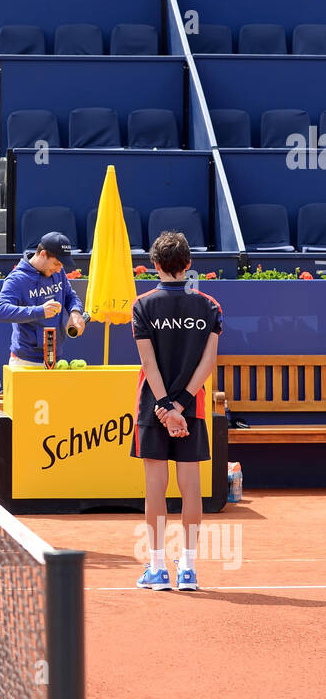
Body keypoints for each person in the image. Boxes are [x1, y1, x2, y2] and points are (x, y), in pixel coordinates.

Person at [131, 230, 222, 593]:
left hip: (154, 411)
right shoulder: (210, 305)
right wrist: (182, 405)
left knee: (155, 488)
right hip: (192, 409)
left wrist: (166, 409)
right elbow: (209, 362)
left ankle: (157, 568)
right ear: (188, 265)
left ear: (154, 265)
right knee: (192, 490)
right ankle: (188, 568)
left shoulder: (142, 305)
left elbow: (148, 364)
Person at [0, 231, 86, 364]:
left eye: (62, 265)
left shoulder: (58, 272)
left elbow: (70, 295)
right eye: (56, 264)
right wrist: (40, 311)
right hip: (25, 361)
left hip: (55, 357)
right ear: (43, 254)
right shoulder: (17, 278)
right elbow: (0, 311)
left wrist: (75, 312)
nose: (59, 269)